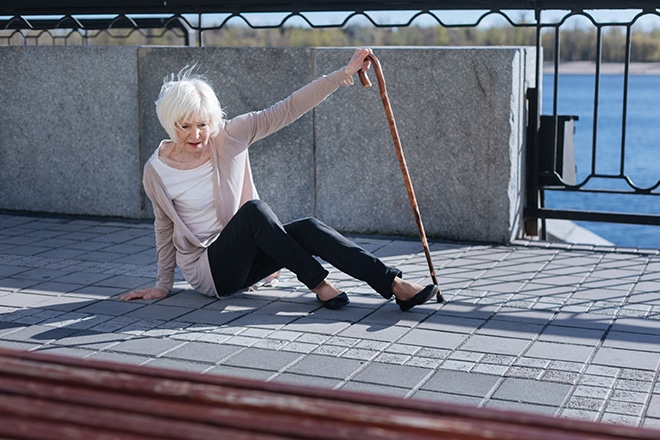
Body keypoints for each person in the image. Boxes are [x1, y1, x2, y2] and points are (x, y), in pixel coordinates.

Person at [120, 48, 439, 311]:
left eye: (202, 124)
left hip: (250, 259)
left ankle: (395, 285)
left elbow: (289, 107)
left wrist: (344, 73)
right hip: (212, 273)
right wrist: (163, 285)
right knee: (254, 212)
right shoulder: (157, 170)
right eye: (185, 126)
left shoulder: (229, 135)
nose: (196, 134)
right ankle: (319, 283)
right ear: (169, 121)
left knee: (309, 228)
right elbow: (163, 226)